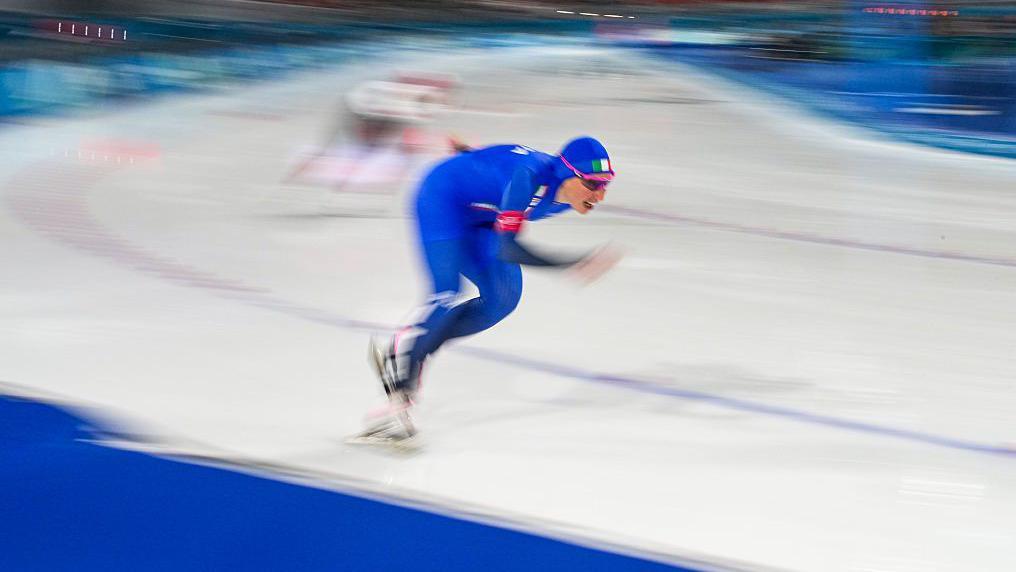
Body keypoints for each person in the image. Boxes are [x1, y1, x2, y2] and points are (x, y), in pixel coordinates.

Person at [351, 136, 621, 446]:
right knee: (446, 293)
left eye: (605, 184)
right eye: (592, 184)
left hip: (480, 215)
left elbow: (502, 162)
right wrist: (569, 263)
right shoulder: (528, 179)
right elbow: (509, 248)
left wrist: (472, 158)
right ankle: (400, 388)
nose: (600, 195)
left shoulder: (564, 195)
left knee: (503, 298)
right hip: (442, 199)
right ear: (567, 173)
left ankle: (414, 346)